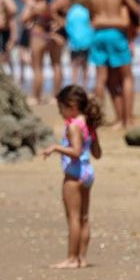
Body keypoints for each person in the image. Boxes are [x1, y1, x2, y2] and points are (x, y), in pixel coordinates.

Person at [39, 84, 103, 269]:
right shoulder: (88, 124)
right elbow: (97, 153)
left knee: (73, 217)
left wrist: (55, 148)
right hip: (88, 172)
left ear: (72, 106)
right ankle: (82, 258)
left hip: (74, 174)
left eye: (61, 109)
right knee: (84, 217)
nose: (60, 113)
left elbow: (75, 152)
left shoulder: (74, 126)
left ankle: (72, 258)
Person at [86, 0, 140, 128]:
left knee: (100, 78)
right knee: (126, 77)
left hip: (98, 34)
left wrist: (102, 21)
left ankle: (96, 119)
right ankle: (128, 119)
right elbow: (136, 9)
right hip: (116, 34)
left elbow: (92, 17)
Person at [27, 0, 64, 102]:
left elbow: (23, 19)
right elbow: (60, 22)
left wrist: (30, 6)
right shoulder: (50, 6)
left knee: (37, 68)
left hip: (38, 37)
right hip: (49, 37)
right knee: (56, 65)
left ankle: (36, 96)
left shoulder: (37, 7)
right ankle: (56, 96)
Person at [63, 0, 94, 88]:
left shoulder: (71, 11)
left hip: (75, 44)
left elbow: (68, 27)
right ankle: (84, 88)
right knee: (85, 68)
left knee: (74, 67)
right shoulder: (86, 12)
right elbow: (91, 27)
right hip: (86, 42)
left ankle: (74, 88)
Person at [13, 0, 34, 86]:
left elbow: (25, 18)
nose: (20, 0)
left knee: (22, 54)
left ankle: (33, 68)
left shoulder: (29, 2)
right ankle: (22, 77)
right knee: (21, 54)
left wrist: (20, 19)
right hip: (27, 30)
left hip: (28, 30)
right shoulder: (29, 2)